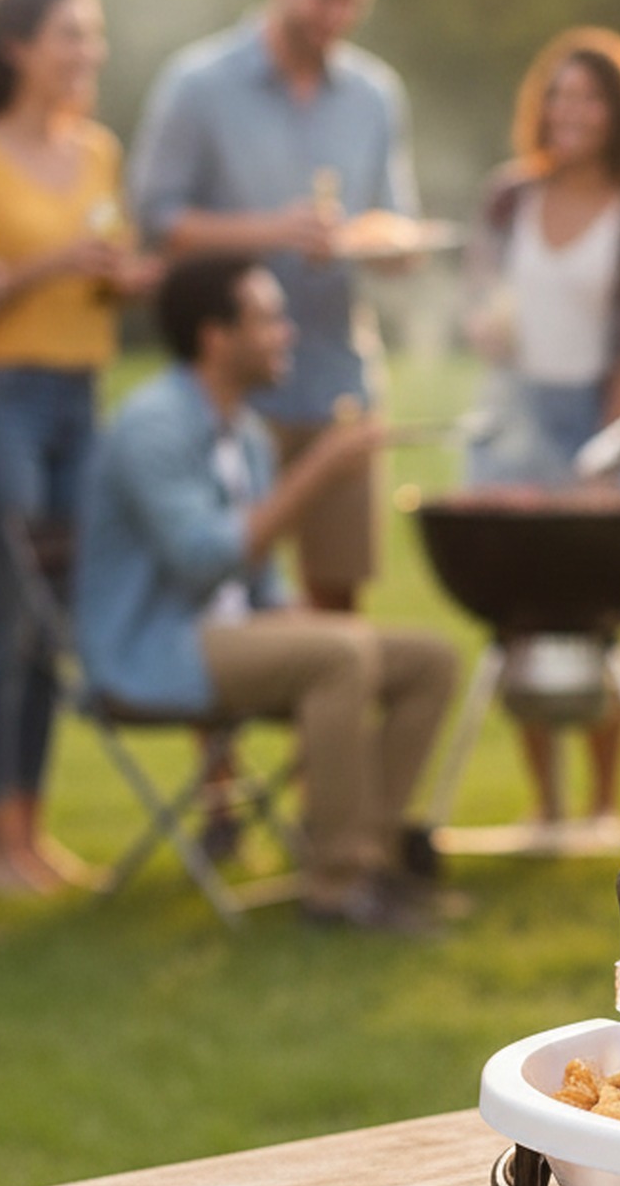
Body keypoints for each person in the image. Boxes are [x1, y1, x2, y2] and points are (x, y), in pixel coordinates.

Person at [75, 254, 458, 930]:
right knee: (336, 656)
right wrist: (317, 473)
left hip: (235, 636)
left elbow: (264, 588)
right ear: (216, 338)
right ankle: (337, 889)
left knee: (428, 660)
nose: (287, 334)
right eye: (269, 319)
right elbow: (201, 561)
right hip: (156, 649)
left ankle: (373, 855)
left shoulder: (246, 432)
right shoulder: (153, 426)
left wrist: (311, 620)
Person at [128, 0, 416, 616]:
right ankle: (220, 736)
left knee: (338, 594)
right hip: (230, 382)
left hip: (337, 378)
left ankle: (325, 732)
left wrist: (382, 244)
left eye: (354, 1)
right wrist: (273, 232)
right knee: (222, 592)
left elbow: (394, 224)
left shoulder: (375, 96)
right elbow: (157, 219)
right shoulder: (199, 85)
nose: (337, 17)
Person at [0, 0, 159, 895]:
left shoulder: (98, 151)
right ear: (19, 47)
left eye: (93, 34)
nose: (89, 51)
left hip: (81, 395)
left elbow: (114, 272)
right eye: (72, 33)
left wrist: (122, 275)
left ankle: (29, 837)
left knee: (57, 619)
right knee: (7, 618)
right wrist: (59, 262)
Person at [463, 27, 620, 828]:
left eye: (588, 97)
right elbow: (477, 296)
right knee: (518, 615)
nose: (570, 111)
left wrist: (605, 454)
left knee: (596, 620)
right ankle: (544, 803)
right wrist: (480, 324)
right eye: (559, 95)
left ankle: (598, 804)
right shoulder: (507, 197)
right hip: (511, 417)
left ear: (618, 113)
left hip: (595, 417)